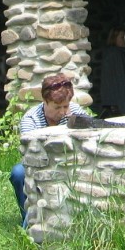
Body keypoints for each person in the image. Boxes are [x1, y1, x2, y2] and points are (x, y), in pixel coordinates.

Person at [9, 73, 87, 225]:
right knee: (18, 173)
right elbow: (30, 154)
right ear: (45, 101)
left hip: (71, 162)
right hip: (39, 164)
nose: (63, 112)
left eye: (66, 106)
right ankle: (29, 220)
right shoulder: (31, 120)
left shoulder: (75, 112)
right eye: (57, 107)